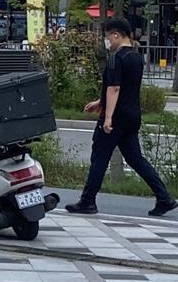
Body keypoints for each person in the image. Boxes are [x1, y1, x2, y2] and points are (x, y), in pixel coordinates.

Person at [65, 18, 178, 217]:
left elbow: (115, 88)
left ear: (116, 35)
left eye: (108, 37)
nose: (107, 41)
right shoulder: (136, 58)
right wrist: (99, 102)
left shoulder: (116, 58)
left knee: (99, 156)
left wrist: (107, 117)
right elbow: (125, 88)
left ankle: (87, 201)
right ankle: (164, 197)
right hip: (132, 114)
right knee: (135, 158)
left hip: (115, 117)